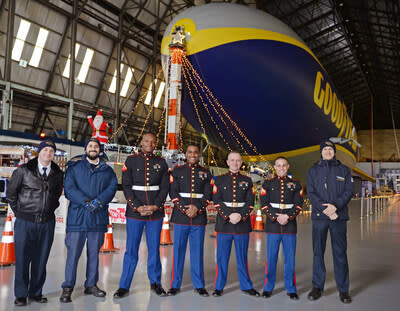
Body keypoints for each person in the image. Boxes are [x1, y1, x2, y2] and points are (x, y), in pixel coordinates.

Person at [60, 138, 117, 303]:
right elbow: (69, 189)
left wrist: (98, 202)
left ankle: (91, 284)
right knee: (73, 254)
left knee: (94, 254)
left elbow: (112, 187)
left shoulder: (107, 170)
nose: (93, 148)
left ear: (100, 150)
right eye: (90, 146)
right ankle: (68, 286)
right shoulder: (74, 167)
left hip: (97, 218)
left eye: (96, 146)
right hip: (78, 217)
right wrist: (86, 202)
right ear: (86, 149)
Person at [7, 140, 64, 306]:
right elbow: (11, 194)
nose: (48, 153)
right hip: (25, 222)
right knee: (23, 259)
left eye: (51, 151)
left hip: (47, 223)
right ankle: (21, 294)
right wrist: (21, 212)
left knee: (41, 259)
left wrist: (49, 210)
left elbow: (56, 196)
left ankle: (36, 292)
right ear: (39, 152)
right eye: (45, 150)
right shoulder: (23, 171)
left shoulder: (57, 173)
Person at [114, 132, 169, 298]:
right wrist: (137, 207)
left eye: (153, 142)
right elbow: (127, 185)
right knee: (131, 249)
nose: (150, 144)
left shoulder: (162, 162)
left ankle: (155, 283)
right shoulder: (131, 160)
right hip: (135, 212)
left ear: (155, 144)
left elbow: (165, 187)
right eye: (146, 141)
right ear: (141, 142)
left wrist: (155, 206)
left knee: (154, 249)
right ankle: (124, 286)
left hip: (155, 213)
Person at [306, 139, 353, 304]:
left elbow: (348, 191)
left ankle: (343, 290)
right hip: (320, 218)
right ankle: (317, 287)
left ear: (334, 152)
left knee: (340, 253)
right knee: (318, 252)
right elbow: (311, 193)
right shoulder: (313, 171)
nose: (327, 151)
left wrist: (336, 207)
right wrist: (325, 209)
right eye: (325, 149)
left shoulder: (344, 170)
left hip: (338, 218)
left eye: (330, 149)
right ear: (321, 152)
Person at [212, 151, 259, 297]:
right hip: (224, 223)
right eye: (232, 160)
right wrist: (229, 215)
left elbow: (251, 202)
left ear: (241, 162)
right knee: (222, 258)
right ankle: (219, 286)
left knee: (242, 257)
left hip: (241, 223)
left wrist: (240, 215)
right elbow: (216, 200)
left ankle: (246, 285)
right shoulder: (218, 180)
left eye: (238, 160)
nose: (235, 163)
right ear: (227, 162)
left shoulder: (248, 181)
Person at [167, 144, 212, 297]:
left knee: (197, 252)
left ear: (199, 154)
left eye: (195, 152)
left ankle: (199, 285)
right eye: (190, 152)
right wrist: (185, 208)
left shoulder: (206, 172)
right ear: (185, 154)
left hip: (198, 217)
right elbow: (172, 191)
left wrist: (197, 208)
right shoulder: (177, 171)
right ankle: (175, 284)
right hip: (181, 216)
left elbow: (208, 194)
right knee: (178, 251)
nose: (193, 154)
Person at [260, 157, 303, 300]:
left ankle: (291, 288)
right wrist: (275, 216)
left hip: (290, 226)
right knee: (271, 258)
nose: (281, 168)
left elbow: (298, 205)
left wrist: (287, 217)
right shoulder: (267, 184)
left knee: (289, 259)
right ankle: (268, 287)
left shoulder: (296, 184)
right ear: (275, 167)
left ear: (288, 166)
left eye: (284, 165)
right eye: (279, 165)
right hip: (273, 225)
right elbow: (264, 204)